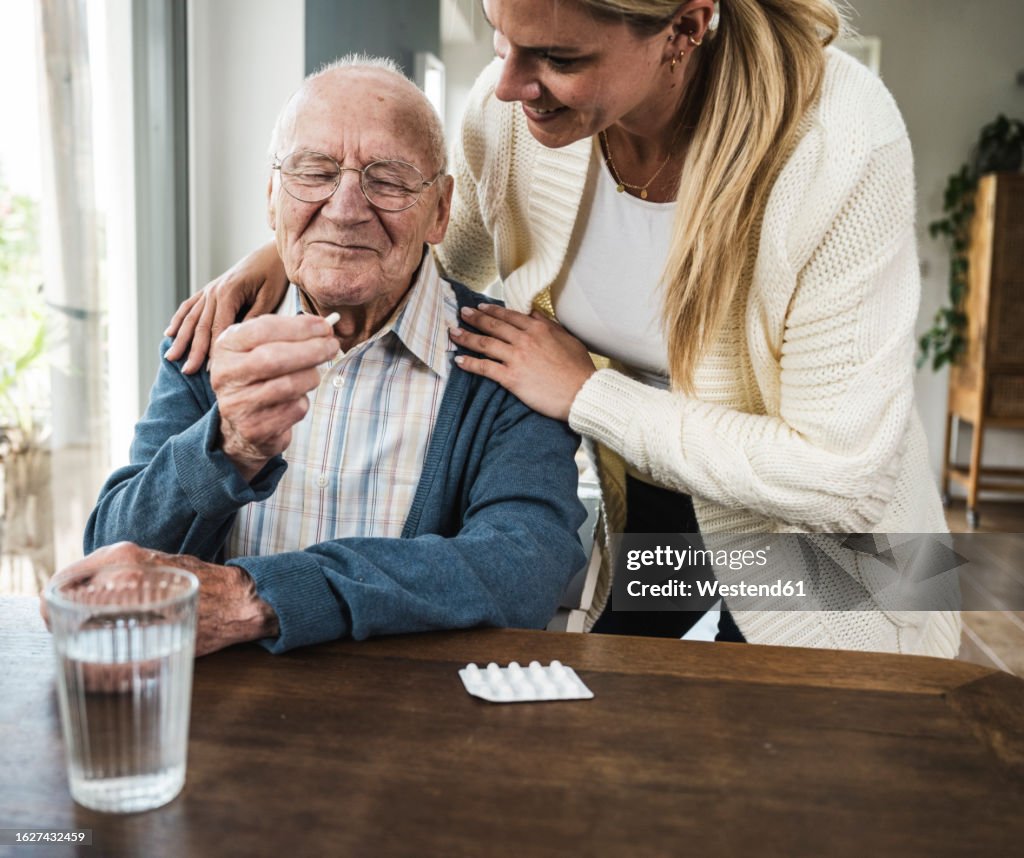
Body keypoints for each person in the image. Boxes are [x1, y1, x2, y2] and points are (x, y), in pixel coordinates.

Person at [164, 1, 961, 657]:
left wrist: (590, 395)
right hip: (653, 523)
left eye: (558, 58)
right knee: (633, 766)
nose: (508, 84)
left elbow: (842, 474)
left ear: (685, 28)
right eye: (499, 35)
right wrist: (286, 245)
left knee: (819, 800)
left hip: (825, 550)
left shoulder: (842, 142)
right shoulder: (510, 118)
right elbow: (429, 233)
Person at [74, 56, 587, 656]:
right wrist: (228, 446)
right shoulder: (214, 334)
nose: (345, 209)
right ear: (273, 196)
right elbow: (114, 558)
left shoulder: (510, 360)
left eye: (389, 179)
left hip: (421, 723)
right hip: (220, 725)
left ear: (442, 210)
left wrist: (259, 598)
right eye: (314, 173)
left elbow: (523, 567)